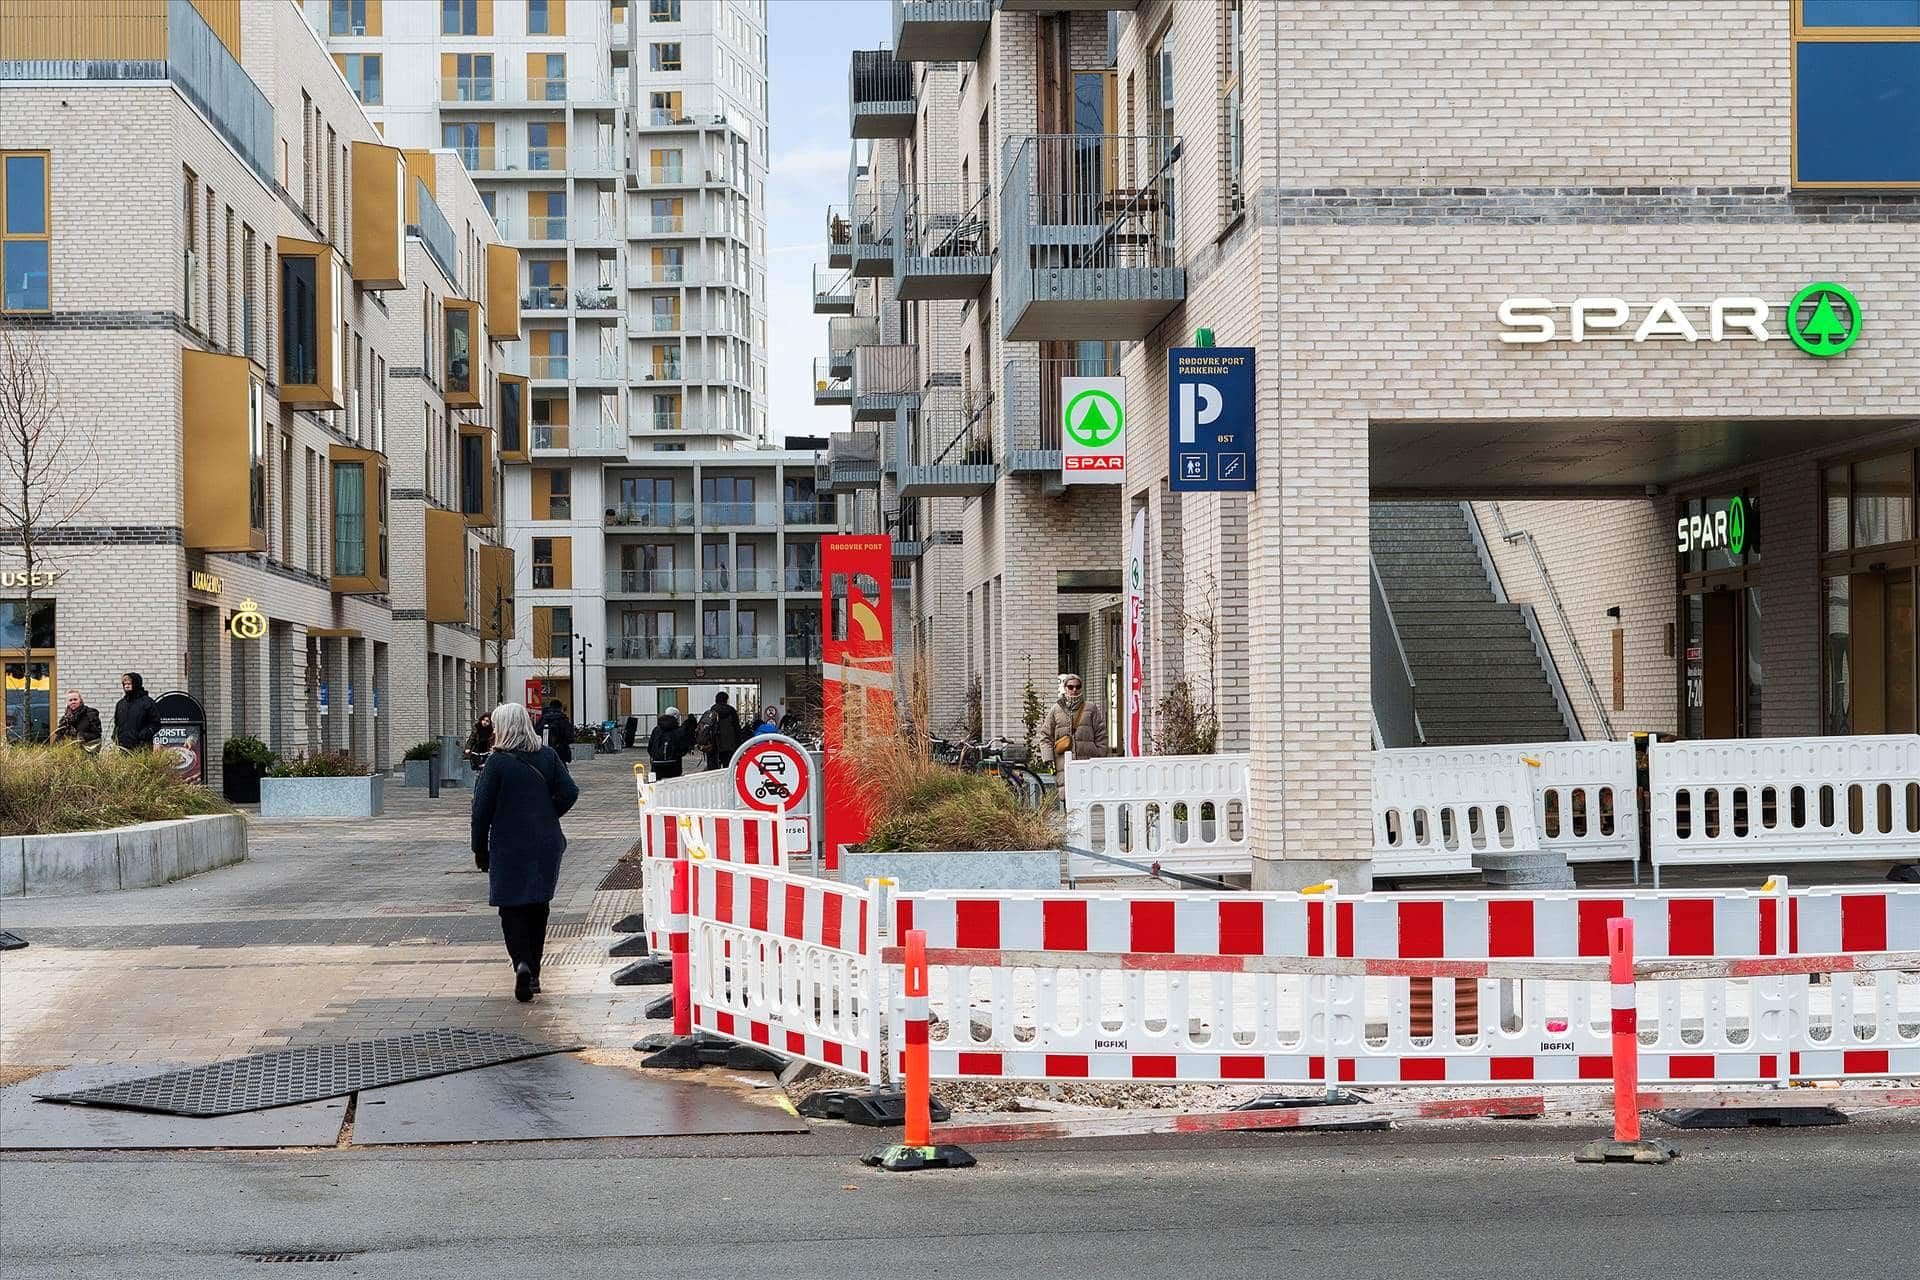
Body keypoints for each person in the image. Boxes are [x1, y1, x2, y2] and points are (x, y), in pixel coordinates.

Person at [470, 702, 579, 1003]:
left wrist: (480, 850)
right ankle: (535, 972)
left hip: (508, 843)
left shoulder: (497, 763)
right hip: (546, 842)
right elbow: (570, 792)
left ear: (501, 727)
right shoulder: (548, 756)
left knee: (511, 907)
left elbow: (480, 813)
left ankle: (521, 963)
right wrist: (547, 814)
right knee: (538, 905)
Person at [1039, 674, 1106, 767]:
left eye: (1077, 687)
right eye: (1070, 687)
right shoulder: (1056, 709)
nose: (1074, 690)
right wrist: (1048, 758)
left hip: (1088, 762)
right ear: (1065, 688)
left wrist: (1100, 755)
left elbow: (1101, 734)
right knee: (1065, 782)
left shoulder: (1091, 708)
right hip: (1063, 763)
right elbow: (1046, 735)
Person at [112, 672, 160, 752]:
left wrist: (142, 735)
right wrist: (115, 736)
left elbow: (155, 723)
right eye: (124, 684)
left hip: (142, 747)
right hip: (123, 747)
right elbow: (117, 723)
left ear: (136, 684)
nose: (126, 686)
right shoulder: (121, 704)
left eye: (129, 684)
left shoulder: (147, 702)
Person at [695, 691, 742, 771]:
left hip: (713, 746)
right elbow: (737, 730)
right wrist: (738, 745)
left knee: (713, 771)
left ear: (716, 700)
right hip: (729, 747)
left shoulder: (710, 713)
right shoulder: (732, 712)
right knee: (728, 770)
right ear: (726, 700)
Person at [647, 707, 687, 779]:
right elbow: (683, 749)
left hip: (657, 764)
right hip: (674, 765)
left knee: (657, 786)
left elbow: (650, 747)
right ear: (676, 717)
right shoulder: (678, 730)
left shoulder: (656, 730)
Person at [535, 698, 574, 765]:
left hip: (543, 752)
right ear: (560, 708)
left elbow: (536, 733)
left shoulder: (542, 719)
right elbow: (570, 737)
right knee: (561, 773)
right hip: (560, 753)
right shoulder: (563, 719)